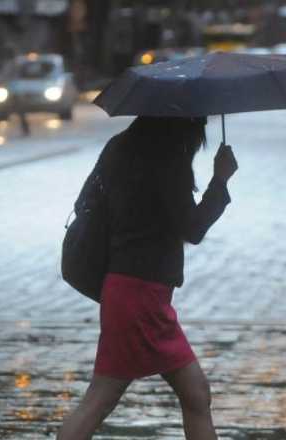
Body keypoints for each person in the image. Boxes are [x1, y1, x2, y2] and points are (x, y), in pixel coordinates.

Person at [58, 116, 238, 440]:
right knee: (102, 399)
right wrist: (220, 181)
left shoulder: (120, 146)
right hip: (142, 297)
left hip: (127, 291)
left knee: (194, 394)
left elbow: (89, 203)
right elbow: (193, 228)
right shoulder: (168, 158)